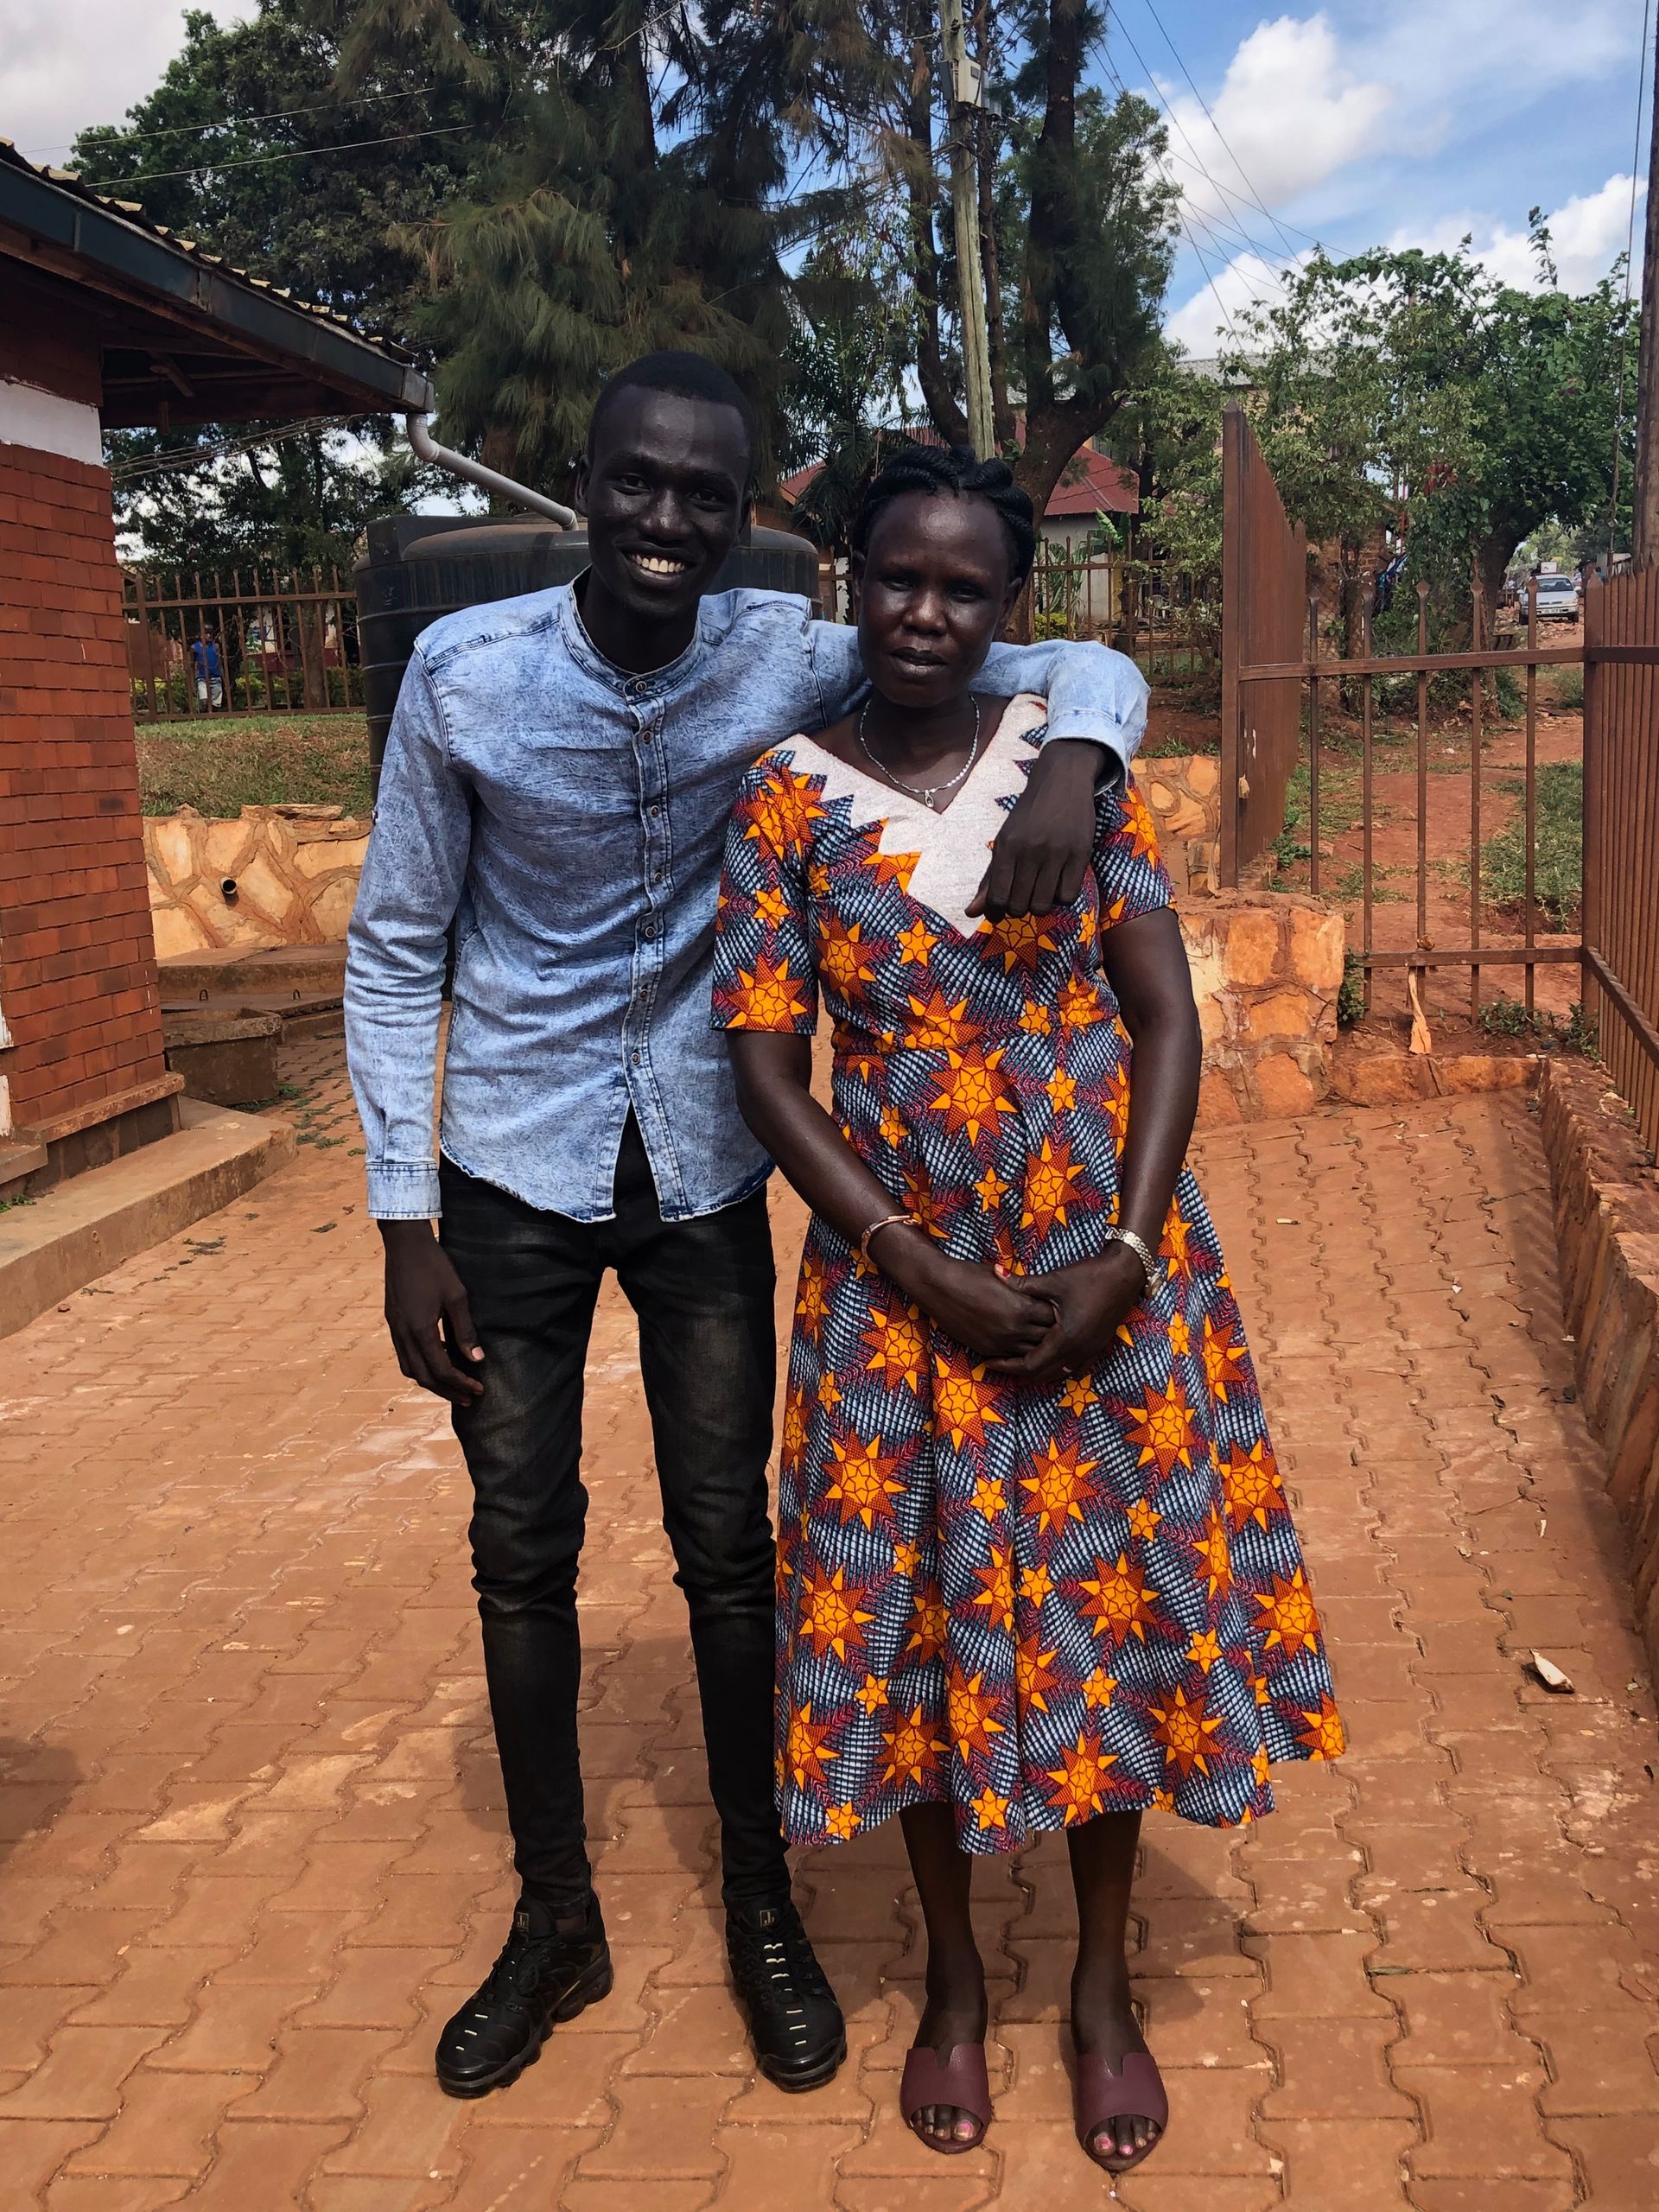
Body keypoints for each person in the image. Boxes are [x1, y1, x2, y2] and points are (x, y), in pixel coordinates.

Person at [343, 353, 1151, 2105]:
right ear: (587, 478)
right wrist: (402, 1215)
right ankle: (555, 1915)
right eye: (637, 481)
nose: (666, 518)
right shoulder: (461, 677)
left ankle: (763, 1906)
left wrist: (1086, 746)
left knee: (733, 1548)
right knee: (518, 1543)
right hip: (509, 1167)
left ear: (744, 515)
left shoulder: (799, 649)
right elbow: (399, 942)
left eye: (705, 493)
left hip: (710, 1163)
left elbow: (1051, 644)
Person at [714, 444, 1344, 2177]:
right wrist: (905, 1258)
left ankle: (1104, 1990)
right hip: (895, 1283)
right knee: (913, 1614)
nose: (927, 611)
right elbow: (769, 1066)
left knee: (1113, 1608)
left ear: (1011, 608)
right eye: (898, 578)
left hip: (1100, 1268)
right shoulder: (779, 794)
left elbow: (1165, 1018)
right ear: (850, 579)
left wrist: (1128, 1254)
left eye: (965, 586)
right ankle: (957, 1989)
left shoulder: (1071, 770)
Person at [190, 629, 224, 709]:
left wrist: (224, 680)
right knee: (204, 700)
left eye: (210, 633)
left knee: (216, 703)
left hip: (215, 676)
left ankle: (213, 716)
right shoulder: (194, 647)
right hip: (202, 677)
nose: (209, 635)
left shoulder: (215, 646)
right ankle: (205, 713)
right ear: (200, 635)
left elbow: (219, 664)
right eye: (206, 633)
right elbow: (192, 665)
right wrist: (192, 683)